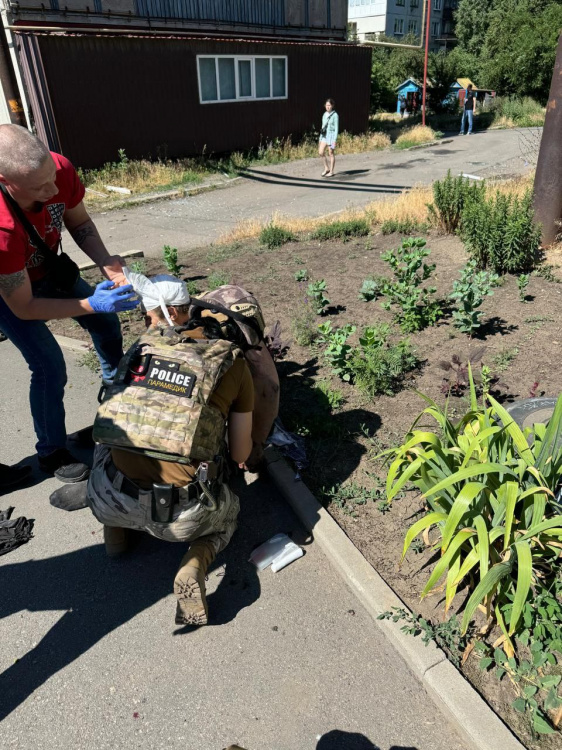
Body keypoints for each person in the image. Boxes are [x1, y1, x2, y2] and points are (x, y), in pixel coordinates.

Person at [85, 274, 257, 626]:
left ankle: (116, 533)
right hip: (182, 518)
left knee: (107, 439)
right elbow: (240, 452)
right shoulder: (230, 361)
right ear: (184, 311)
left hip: (107, 496)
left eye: (147, 317)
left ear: (159, 315)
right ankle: (195, 563)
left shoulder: (138, 350)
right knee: (229, 514)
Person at [0, 125, 138, 484]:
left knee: (107, 325)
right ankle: (51, 452)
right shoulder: (1, 229)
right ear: (5, 181)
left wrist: (108, 264)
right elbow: (25, 307)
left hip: (48, 270)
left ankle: (112, 408)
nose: (53, 190)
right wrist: (91, 302)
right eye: (39, 187)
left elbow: (80, 223)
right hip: (10, 292)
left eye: (52, 177)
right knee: (48, 365)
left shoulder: (57, 170)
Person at [318, 98, 339, 177]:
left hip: (332, 137)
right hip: (324, 136)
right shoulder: (324, 114)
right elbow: (323, 126)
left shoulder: (335, 115)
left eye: (329, 105)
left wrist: (335, 140)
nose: (328, 107)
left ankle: (331, 171)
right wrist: (320, 138)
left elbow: (336, 128)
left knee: (331, 153)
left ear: (332, 106)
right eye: (326, 105)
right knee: (320, 152)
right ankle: (326, 168)